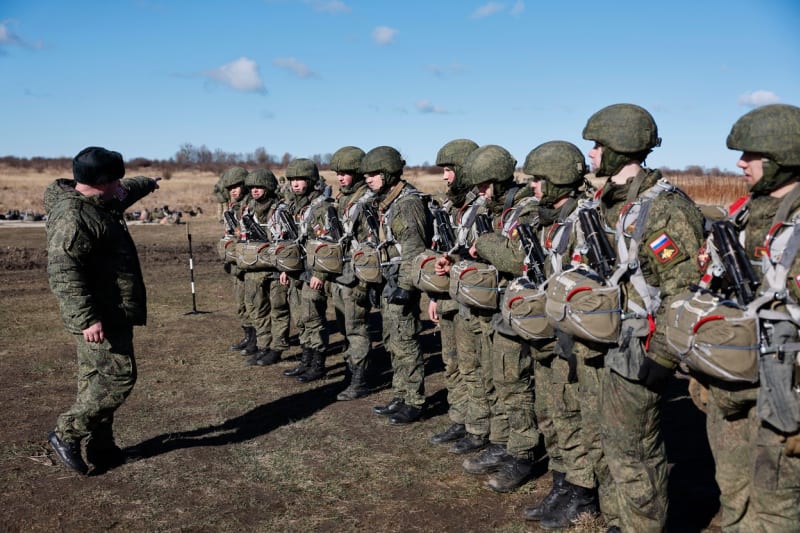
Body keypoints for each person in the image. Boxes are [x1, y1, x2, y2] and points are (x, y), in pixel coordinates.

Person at [676, 104, 800, 531]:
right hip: (733, 376)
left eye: (751, 154)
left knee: (776, 505)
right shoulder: (744, 215)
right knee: (732, 489)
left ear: (782, 157)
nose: (739, 163)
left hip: (785, 389)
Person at [582, 103, 705, 532]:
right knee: (610, 443)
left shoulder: (664, 209)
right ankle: (618, 521)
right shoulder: (608, 204)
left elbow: (684, 290)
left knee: (636, 452)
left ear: (620, 148)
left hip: (640, 345)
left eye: (598, 146)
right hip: (606, 338)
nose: (592, 154)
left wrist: (663, 356)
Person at [44, 146, 161, 475]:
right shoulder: (74, 216)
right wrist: (86, 318)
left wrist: (148, 183)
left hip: (112, 310)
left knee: (94, 379)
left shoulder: (100, 201)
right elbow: (64, 272)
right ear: (102, 182)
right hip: (99, 315)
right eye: (116, 180)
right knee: (119, 377)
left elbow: (127, 191)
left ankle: (102, 448)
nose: (120, 186)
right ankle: (66, 434)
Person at [514, 141, 601, 528]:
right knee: (552, 412)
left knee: (572, 413)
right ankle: (562, 481)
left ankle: (582, 494)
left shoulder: (584, 218)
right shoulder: (551, 219)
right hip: (549, 330)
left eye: (538, 179)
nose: (532, 185)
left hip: (573, 334)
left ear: (558, 179)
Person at [465, 145, 547, 493]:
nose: (481, 193)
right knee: (499, 378)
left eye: (485, 185)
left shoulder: (526, 211)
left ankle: (523, 451)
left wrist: (484, 242)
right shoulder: (504, 211)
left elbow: (516, 259)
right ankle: (502, 441)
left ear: (498, 182)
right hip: (503, 307)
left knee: (516, 383)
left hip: (524, 310)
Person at [364, 146, 432, 425]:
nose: (368, 179)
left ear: (389, 174)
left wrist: (405, 286)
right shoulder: (388, 201)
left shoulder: (407, 203)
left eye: (373, 174)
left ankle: (414, 400)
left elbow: (414, 248)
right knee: (393, 341)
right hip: (388, 280)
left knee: (405, 341)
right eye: (366, 174)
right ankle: (401, 393)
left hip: (400, 283)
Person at [426, 139, 479, 444]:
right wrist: (434, 296)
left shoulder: (479, 209)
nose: (445, 177)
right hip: (448, 295)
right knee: (452, 361)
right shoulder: (450, 207)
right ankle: (460, 418)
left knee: (473, 366)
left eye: (449, 170)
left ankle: (478, 426)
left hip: (472, 300)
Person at [328, 146, 375, 400]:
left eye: (346, 173)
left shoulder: (365, 201)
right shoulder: (343, 199)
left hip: (356, 274)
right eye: (338, 173)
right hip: (340, 272)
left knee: (356, 327)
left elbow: (370, 240)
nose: (340, 177)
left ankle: (360, 378)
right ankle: (351, 370)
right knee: (344, 327)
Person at [278, 158, 331, 383]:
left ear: (311, 181)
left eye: (300, 179)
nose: (295, 184)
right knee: (300, 318)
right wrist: (285, 269)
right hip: (296, 270)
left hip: (313, 270)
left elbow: (330, 244)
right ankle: (306, 360)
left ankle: (318, 365)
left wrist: (321, 273)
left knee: (313, 318)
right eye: (292, 180)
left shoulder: (322, 207)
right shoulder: (294, 206)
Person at [241, 168, 290, 366]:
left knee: (278, 309)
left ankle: (277, 348)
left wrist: (286, 268)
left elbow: (289, 241)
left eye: (259, 187)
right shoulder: (248, 210)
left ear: (269, 187)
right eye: (252, 187)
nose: (255, 190)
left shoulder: (281, 210)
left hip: (276, 268)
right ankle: (263, 346)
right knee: (257, 309)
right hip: (254, 268)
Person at [221, 167, 256, 356]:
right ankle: (248, 334)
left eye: (237, 186)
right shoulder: (232, 207)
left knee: (252, 302)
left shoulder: (251, 205)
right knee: (240, 303)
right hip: (235, 261)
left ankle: (256, 339)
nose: (233, 190)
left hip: (249, 260)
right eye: (230, 187)